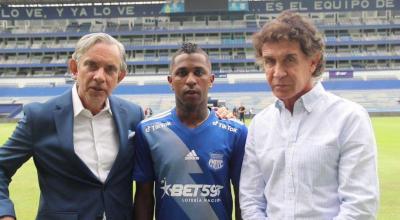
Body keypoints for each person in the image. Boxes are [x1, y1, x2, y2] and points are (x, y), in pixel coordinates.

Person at [239, 11, 379, 219]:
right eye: (270, 61)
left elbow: (360, 206)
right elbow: (251, 200)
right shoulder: (260, 124)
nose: (278, 72)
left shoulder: (349, 118)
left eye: (289, 60)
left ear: (313, 61)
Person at [0, 33, 143, 220]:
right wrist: (5, 214)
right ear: (74, 68)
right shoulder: (41, 117)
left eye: (110, 69)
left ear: (120, 76)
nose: (100, 77)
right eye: (91, 65)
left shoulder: (133, 115)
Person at [133, 42, 247, 220]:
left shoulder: (236, 133)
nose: (191, 80)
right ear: (171, 81)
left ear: (211, 80)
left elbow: (243, 198)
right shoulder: (148, 131)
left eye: (199, 72)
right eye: (182, 73)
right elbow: (144, 198)